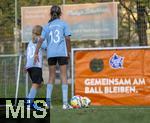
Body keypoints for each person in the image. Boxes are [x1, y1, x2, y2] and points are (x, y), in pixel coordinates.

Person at [34, 5, 72, 110]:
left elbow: (40, 40)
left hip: (51, 54)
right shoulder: (63, 24)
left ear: (51, 13)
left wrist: (36, 53)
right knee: (64, 76)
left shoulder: (47, 26)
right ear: (60, 14)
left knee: (51, 77)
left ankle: (47, 103)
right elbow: (68, 39)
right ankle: (65, 104)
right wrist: (68, 51)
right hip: (62, 53)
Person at [25, 25, 46, 107]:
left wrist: (26, 65)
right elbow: (46, 47)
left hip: (29, 66)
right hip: (36, 65)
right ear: (41, 33)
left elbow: (28, 54)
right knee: (36, 84)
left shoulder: (30, 42)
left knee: (40, 83)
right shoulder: (40, 40)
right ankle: (29, 104)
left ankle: (28, 99)